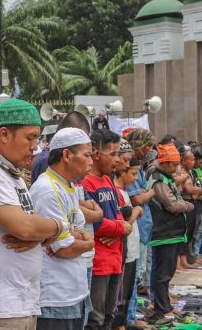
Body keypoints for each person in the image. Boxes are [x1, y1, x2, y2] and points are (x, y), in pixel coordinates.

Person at [0, 99, 69, 330]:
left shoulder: (11, 172)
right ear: (5, 134)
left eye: (36, 138)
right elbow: (25, 227)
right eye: (30, 137)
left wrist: (45, 230)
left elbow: (33, 223)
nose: (35, 147)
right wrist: (59, 226)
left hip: (20, 302)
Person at [29, 128, 95, 330]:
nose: (91, 162)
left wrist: (77, 238)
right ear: (67, 155)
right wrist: (89, 243)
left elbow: (78, 230)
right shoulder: (48, 190)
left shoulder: (67, 186)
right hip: (55, 298)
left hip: (72, 292)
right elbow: (63, 248)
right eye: (87, 155)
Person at [83, 129, 131, 330]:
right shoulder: (87, 184)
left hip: (115, 258)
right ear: (96, 154)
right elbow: (96, 224)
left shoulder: (108, 181)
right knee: (96, 318)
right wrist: (120, 228)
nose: (117, 160)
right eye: (112, 154)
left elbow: (118, 213)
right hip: (99, 262)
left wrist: (118, 229)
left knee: (110, 314)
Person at [145, 144, 194, 325]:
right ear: (164, 163)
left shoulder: (165, 176)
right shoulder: (157, 178)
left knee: (167, 271)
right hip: (164, 231)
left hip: (172, 232)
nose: (175, 170)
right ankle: (161, 308)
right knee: (163, 273)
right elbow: (172, 204)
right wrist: (188, 206)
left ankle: (164, 305)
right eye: (173, 165)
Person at [112, 156, 143, 330]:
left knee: (128, 290)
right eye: (133, 173)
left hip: (131, 248)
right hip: (123, 249)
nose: (136, 178)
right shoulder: (117, 192)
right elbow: (124, 224)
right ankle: (119, 325)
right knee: (120, 295)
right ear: (122, 173)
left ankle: (124, 323)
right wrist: (137, 210)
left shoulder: (123, 191)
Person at [125, 128, 156, 295]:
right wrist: (151, 192)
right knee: (135, 273)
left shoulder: (139, 165)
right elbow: (137, 199)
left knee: (141, 268)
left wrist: (145, 193)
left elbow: (142, 191)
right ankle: (129, 316)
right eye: (148, 145)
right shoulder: (130, 167)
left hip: (144, 225)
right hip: (136, 224)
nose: (150, 150)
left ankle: (132, 312)